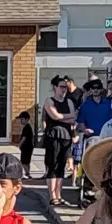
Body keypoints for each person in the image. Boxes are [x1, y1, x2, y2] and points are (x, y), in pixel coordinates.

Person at [42, 76, 78, 207]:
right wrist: (64, 118)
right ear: (55, 87)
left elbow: (73, 118)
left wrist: (62, 118)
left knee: (61, 165)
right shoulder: (49, 101)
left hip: (66, 136)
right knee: (53, 164)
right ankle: (52, 196)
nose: (64, 89)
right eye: (62, 86)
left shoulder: (69, 101)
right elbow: (54, 116)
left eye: (66, 87)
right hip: (53, 135)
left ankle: (59, 194)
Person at [17, 111, 35, 177]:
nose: (21, 121)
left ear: (27, 119)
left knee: (23, 162)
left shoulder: (27, 127)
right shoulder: (27, 127)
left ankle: (28, 174)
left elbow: (24, 138)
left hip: (26, 147)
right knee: (27, 162)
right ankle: (28, 173)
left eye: (22, 119)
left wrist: (20, 145)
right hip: (29, 147)